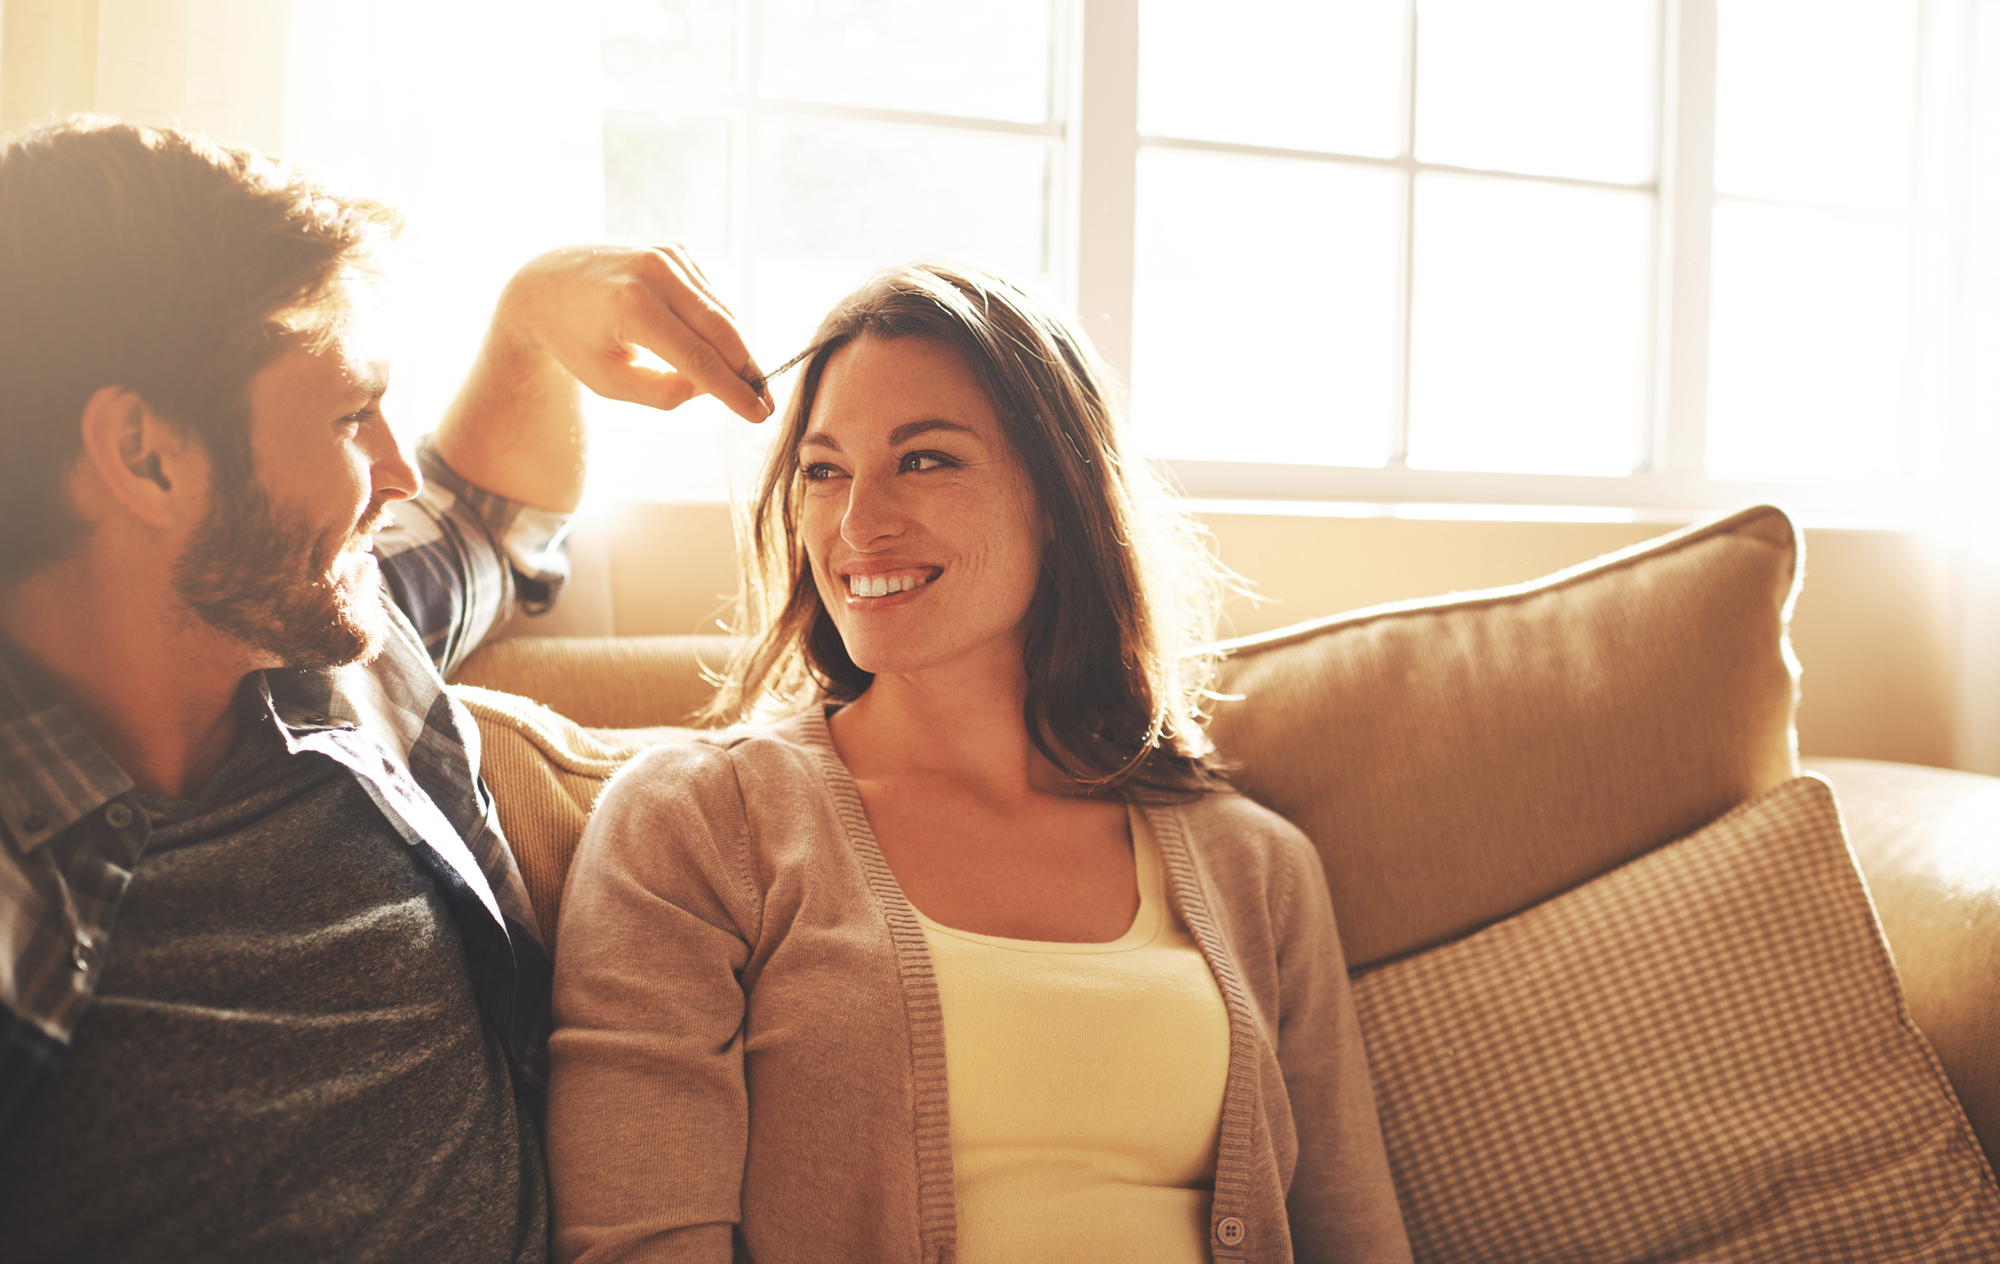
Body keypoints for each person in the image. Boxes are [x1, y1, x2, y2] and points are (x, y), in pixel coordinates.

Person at [0, 116, 770, 1260]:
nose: (395, 475)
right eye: (351, 416)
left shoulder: (327, 639)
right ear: (147, 455)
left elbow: (487, 521)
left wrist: (533, 314)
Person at [546, 262, 1413, 1263]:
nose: (857, 523)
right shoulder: (697, 823)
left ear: (1059, 495)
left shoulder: (1255, 866)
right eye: (823, 470)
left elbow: (1352, 1236)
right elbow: (639, 1240)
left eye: (923, 461)